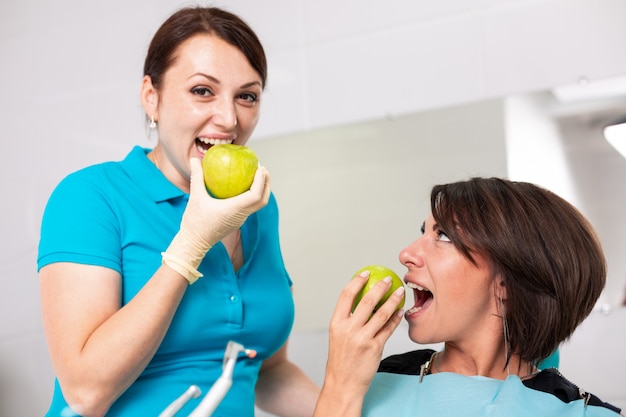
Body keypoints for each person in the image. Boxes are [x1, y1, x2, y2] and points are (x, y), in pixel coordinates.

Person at [38, 6, 319, 417]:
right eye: (202, 91)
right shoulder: (91, 197)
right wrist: (192, 243)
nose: (228, 119)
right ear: (152, 97)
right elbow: (85, 391)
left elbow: (268, 369)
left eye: (247, 96)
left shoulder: (257, 207)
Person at [313, 177, 623, 417]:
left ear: (507, 282)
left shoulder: (582, 412)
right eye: (424, 231)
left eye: (443, 235)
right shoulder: (370, 384)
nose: (406, 254)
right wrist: (341, 387)